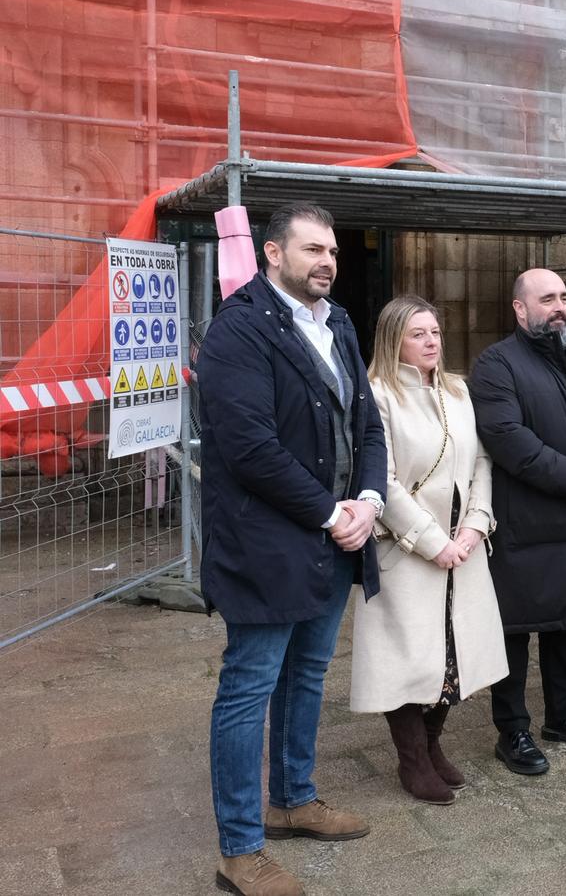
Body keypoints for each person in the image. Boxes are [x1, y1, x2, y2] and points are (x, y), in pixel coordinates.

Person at [199, 202, 384, 896]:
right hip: (267, 541)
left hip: (337, 532)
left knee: (307, 673)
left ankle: (293, 799)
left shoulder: (338, 322)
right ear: (273, 254)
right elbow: (249, 447)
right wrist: (330, 512)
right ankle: (240, 850)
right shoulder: (238, 329)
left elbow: (367, 422)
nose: (327, 261)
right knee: (249, 686)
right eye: (312, 249)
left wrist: (369, 501)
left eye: (331, 250)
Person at [470, 269, 566, 777]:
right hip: (527, 518)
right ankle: (512, 729)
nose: (560, 306)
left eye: (563, 297)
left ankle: (563, 714)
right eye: (547, 299)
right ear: (520, 309)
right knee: (515, 628)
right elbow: (506, 436)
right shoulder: (496, 363)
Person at [351, 295, 507, 806]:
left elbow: (481, 461)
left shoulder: (457, 390)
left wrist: (476, 525)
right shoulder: (377, 395)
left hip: (463, 549)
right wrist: (433, 542)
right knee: (407, 659)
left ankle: (433, 744)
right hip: (406, 552)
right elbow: (383, 479)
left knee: (455, 653)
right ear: (393, 339)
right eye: (418, 333)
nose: (432, 341)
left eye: (435, 332)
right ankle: (413, 760)